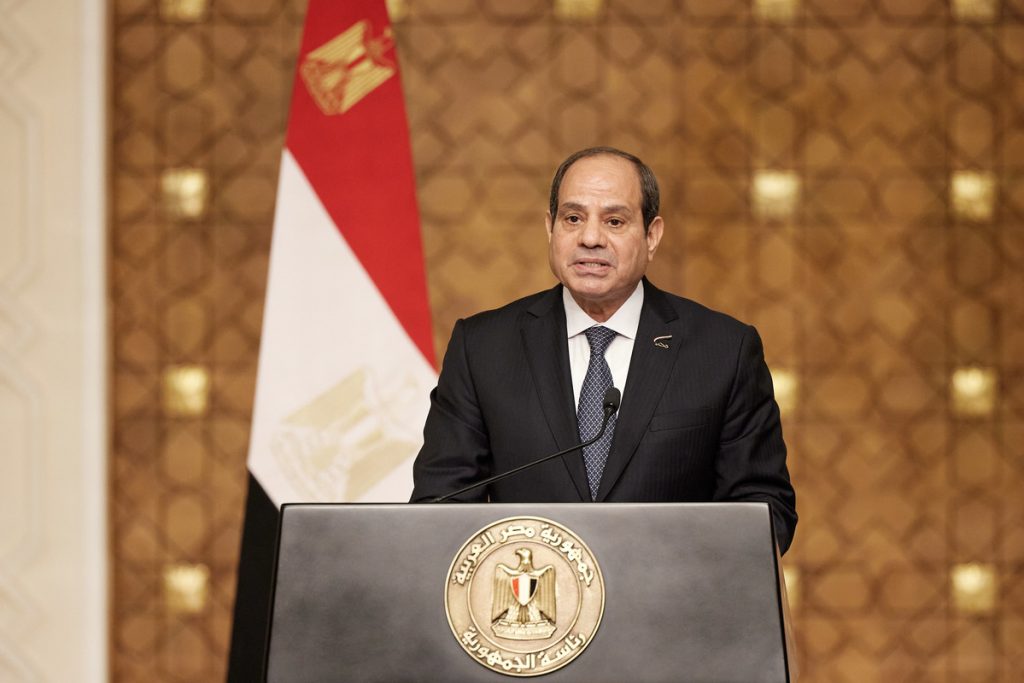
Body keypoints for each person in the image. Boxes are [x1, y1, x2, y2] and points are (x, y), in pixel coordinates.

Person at [410, 147, 797, 553]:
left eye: (614, 221)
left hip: (668, 590)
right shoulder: (483, 348)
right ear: (550, 228)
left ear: (652, 236)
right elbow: (439, 507)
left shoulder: (723, 351)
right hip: (530, 589)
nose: (590, 238)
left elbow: (765, 511)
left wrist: (671, 567)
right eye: (573, 218)